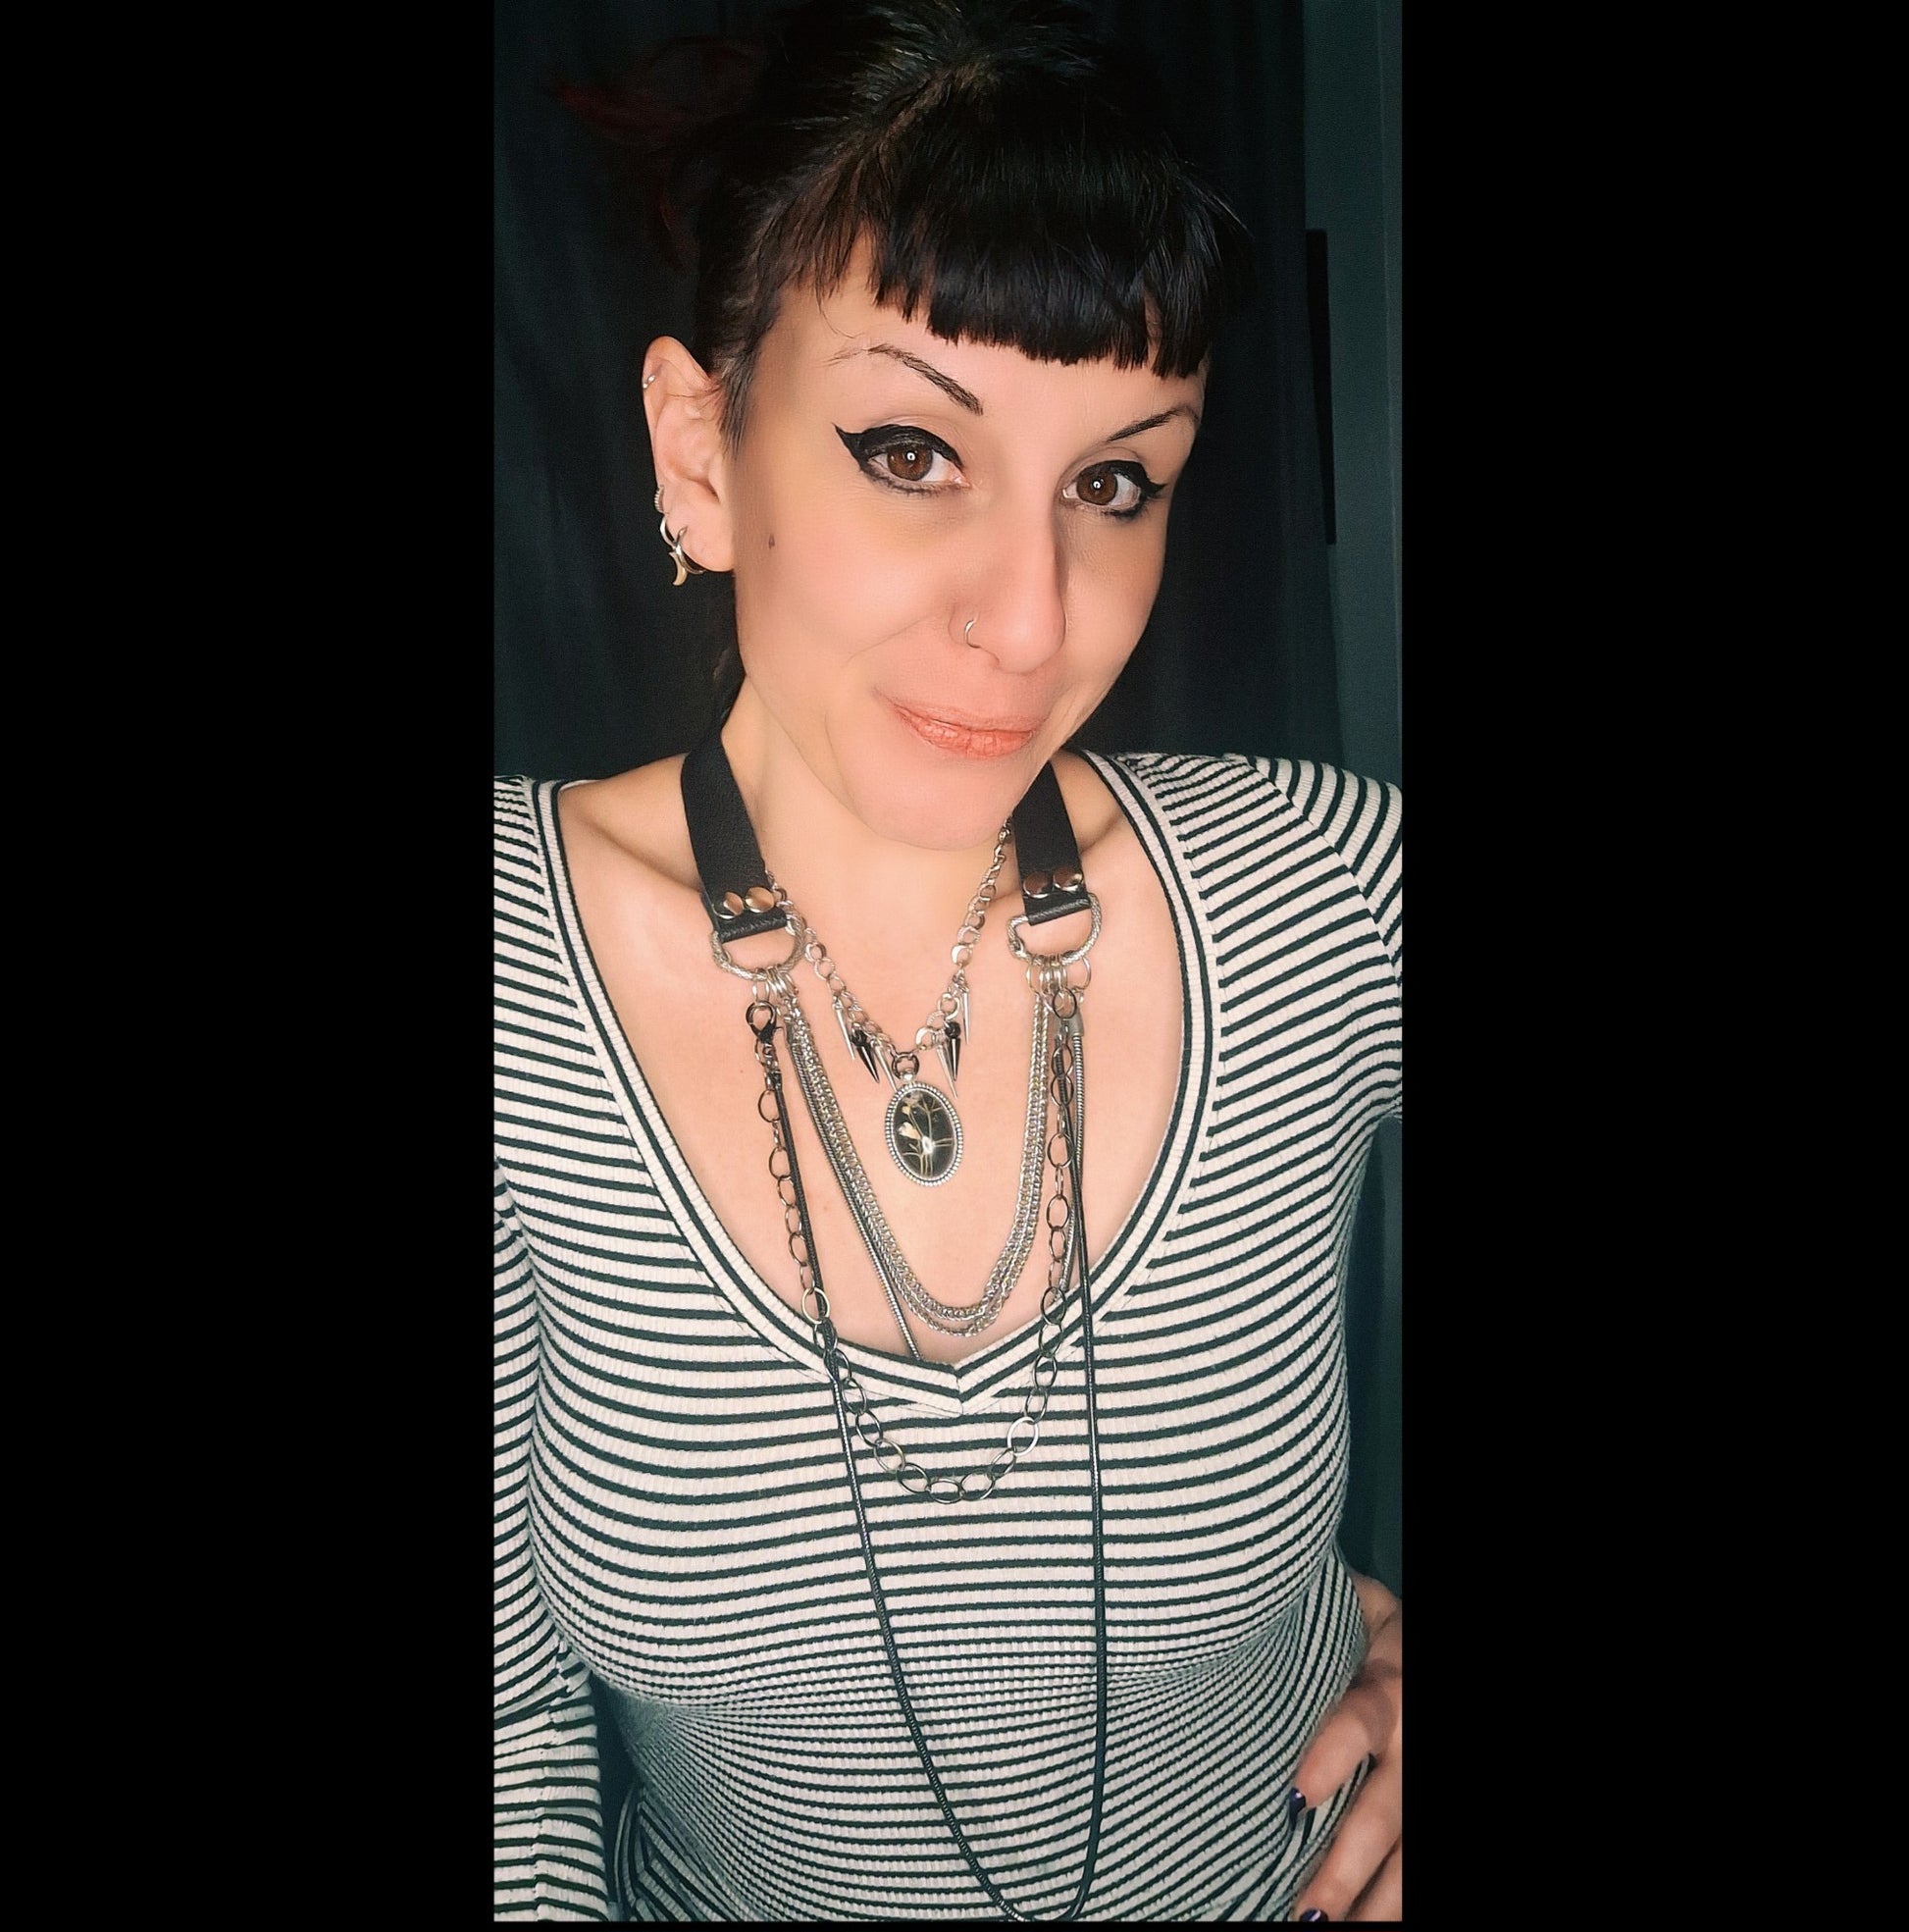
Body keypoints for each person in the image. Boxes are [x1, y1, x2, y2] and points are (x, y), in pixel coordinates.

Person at [495, 0, 1402, 1918]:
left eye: (1115, 481)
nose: (1032, 617)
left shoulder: (1317, 887)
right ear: (698, 449)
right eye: (911, 451)